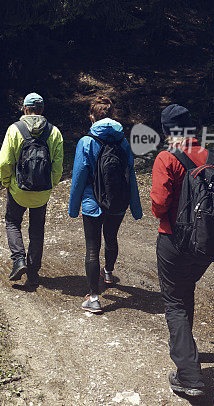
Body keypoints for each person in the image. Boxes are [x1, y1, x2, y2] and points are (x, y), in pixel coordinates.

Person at [151, 104, 214, 397]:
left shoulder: (166, 157)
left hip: (173, 240)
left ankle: (188, 376)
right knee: (185, 291)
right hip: (206, 244)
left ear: (166, 131)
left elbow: (159, 204)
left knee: (174, 301)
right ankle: (187, 350)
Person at [68, 96, 142, 314]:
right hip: (117, 202)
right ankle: (108, 272)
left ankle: (93, 298)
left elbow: (79, 178)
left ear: (92, 116)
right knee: (111, 238)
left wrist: (73, 208)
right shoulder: (123, 141)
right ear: (112, 115)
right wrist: (136, 208)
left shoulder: (86, 141)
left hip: (93, 203)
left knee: (92, 248)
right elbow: (131, 175)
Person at [0, 92, 64, 285]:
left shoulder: (14, 130)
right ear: (42, 109)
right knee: (37, 229)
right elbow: (58, 165)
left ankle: (19, 260)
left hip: (18, 190)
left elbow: (5, 161)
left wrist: (6, 182)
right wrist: (50, 184)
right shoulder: (54, 132)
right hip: (42, 192)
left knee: (12, 222)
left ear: (25, 109)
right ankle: (33, 270)